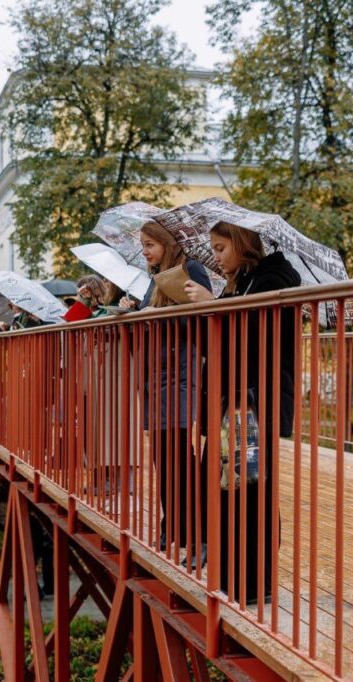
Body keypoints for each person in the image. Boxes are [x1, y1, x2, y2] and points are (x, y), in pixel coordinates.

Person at [184, 220, 301, 605]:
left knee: (248, 487)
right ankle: (243, 577)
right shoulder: (245, 282)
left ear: (241, 244)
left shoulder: (272, 280)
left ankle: (252, 583)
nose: (215, 258)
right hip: (239, 399)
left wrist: (214, 305)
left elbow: (249, 335)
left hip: (251, 400)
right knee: (240, 485)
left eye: (220, 249)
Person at [126, 220, 212, 555]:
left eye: (150, 244)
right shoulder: (157, 277)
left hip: (177, 371)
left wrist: (155, 313)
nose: (145, 251)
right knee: (164, 454)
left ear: (166, 243)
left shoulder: (189, 269)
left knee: (177, 453)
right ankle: (173, 524)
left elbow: (200, 318)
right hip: (156, 375)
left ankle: (193, 530)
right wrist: (136, 312)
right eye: (143, 245)